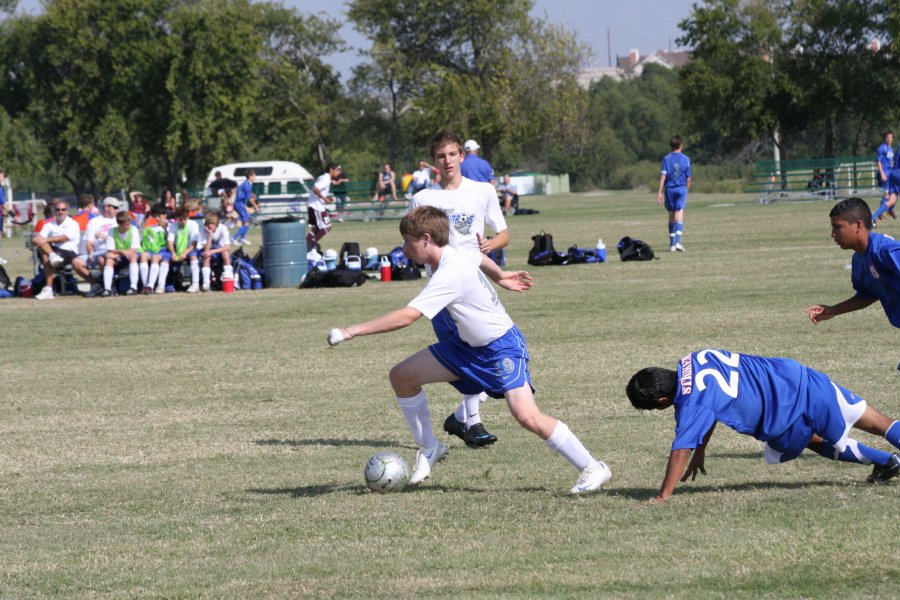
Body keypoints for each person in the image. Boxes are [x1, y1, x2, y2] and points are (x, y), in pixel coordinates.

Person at [327, 206, 612, 493]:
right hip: (466, 347)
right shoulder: (453, 253)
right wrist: (500, 277)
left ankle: (592, 467)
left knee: (527, 416)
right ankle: (430, 448)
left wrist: (351, 331)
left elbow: (408, 316)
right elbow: (478, 256)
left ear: (426, 239)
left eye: (407, 241)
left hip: (501, 348)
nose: (404, 248)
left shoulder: (449, 273)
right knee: (401, 377)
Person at [626, 348, 900, 503]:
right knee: (877, 421)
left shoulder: (691, 404)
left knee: (813, 441)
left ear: (663, 400)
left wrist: (663, 496)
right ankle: (888, 462)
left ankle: (886, 461)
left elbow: (679, 449)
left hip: (785, 414)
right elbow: (710, 409)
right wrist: (701, 450)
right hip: (797, 375)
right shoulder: (693, 358)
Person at [409, 129, 511, 448]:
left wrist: (492, 244)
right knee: (467, 354)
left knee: (492, 353)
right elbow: (411, 243)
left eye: (452, 154)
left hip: (478, 286)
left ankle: (460, 418)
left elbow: (504, 233)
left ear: (462, 156)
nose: (447, 161)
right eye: (441, 156)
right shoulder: (423, 199)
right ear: (434, 162)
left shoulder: (482, 191)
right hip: (443, 292)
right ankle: (473, 423)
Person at [806, 197, 900, 331]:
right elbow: (866, 295)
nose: (833, 234)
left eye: (837, 227)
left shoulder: (885, 251)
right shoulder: (859, 260)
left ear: (858, 225)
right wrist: (832, 310)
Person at [31, 199, 97, 300]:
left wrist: (45, 240)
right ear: (55, 211)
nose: (60, 212)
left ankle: (48, 289)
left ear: (67, 211)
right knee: (45, 255)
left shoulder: (72, 224)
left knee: (45, 254)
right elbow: (37, 239)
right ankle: (48, 288)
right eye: (58, 210)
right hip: (56, 253)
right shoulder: (49, 225)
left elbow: (64, 237)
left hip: (69, 252)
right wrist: (37, 240)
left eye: (63, 209)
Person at [657, 135, 692, 252]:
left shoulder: (666, 159)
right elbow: (688, 178)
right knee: (680, 212)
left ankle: (672, 245)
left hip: (670, 189)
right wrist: (687, 189)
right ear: (681, 145)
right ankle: (678, 242)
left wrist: (659, 193)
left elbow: (663, 176)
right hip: (681, 188)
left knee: (671, 214)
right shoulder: (686, 159)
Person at [85, 197, 124, 297]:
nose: (117, 210)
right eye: (115, 207)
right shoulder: (94, 222)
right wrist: (90, 253)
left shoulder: (119, 221)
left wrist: (105, 237)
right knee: (76, 262)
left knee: (102, 259)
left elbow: (123, 241)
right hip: (97, 252)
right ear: (106, 207)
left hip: (116, 251)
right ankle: (97, 285)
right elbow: (89, 242)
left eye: (117, 208)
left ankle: (109, 287)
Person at [104, 210, 141, 295]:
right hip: (119, 255)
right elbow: (110, 249)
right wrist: (121, 251)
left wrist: (121, 253)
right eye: (127, 224)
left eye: (129, 222)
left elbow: (134, 249)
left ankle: (133, 287)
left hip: (130, 254)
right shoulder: (111, 231)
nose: (129, 225)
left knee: (133, 257)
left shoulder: (133, 229)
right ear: (120, 224)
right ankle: (107, 289)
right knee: (109, 260)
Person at [167, 206, 200, 293]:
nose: (183, 222)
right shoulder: (173, 226)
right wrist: (173, 253)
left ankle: (195, 284)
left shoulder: (193, 224)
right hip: (178, 250)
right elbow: (170, 242)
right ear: (176, 218)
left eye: (185, 219)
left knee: (193, 257)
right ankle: (168, 284)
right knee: (168, 259)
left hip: (191, 250)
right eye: (180, 219)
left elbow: (194, 243)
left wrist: (185, 253)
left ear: (188, 217)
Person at [139, 204, 171, 294]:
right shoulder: (151, 228)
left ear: (165, 215)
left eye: (158, 216)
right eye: (155, 216)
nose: (156, 219)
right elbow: (144, 241)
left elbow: (173, 241)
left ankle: (155, 286)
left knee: (155, 257)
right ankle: (145, 285)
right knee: (143, 255)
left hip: (166, 251)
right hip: (153, 251)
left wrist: (165, 229)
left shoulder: (171, 225)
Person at [199, 212, 232, 291]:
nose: (210, 226)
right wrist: (210, 235)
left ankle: (229, 278)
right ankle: (206, 284)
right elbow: (206, 250)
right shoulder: (203, 230)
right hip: (208, 252)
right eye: (208, 223)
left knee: (226, 254)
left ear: (217, 224)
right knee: (207, 256)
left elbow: (227, 247)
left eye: (212, 223)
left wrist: (212, 251)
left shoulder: (223, 228)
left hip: (218, 251)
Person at [871, 131, 895, 223]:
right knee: (888, 194)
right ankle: (876, 215)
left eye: (891, 137)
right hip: (884, 174)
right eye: (888, 137)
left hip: (890, 174)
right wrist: (882, 174)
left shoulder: (891, 149)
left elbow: (890, 162)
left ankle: (881, 213)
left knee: (888, 195)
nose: (889, 139)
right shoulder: (881, 148)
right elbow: (879, 162)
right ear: (884, 138)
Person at [232, 170, 255, 245]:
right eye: (254, 176)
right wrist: (250, 199)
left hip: (241, 204)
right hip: (239, 204)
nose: (255, 177)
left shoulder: (249, 184)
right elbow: (242, 196)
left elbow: (246, 195)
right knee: (246, 222)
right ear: (250, 176)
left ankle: (242, 238)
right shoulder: (246, 185)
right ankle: (233, 238)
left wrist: (249, 196)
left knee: (249, 220)